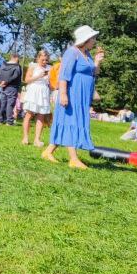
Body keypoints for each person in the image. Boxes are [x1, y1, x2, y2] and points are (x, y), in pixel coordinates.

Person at [43, 25, 103, 169]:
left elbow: (94, 73)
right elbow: (63, 75)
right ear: (86, 39)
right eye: (93, 38)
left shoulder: (87, 54)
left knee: (70, 122)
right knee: (72, 122)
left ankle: (48, 151)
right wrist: (63, 94)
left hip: (82, 96)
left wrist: (97, 62)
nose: (94, 41)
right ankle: (74, 159)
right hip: (71, 93)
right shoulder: (72, 52)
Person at [21, 48, 52, 146]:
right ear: (38, 58)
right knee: (29, 114)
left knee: (41, 116)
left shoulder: (50, 68)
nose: (44, 62)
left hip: (44, 92)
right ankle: (25, 137)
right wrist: (39, 76)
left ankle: (37, 139)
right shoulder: (33, 66)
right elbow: (26, 80)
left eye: (46, 60)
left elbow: (51, 84)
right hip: (33, 91)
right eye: (42, 60)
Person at [0, 53, 22, 126]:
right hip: (12, 87)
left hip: (3, 86)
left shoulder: (3, 65)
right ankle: (9, 121)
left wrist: (2, 82)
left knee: (2, 103)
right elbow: (15, 76)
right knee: (10, 104)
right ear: (16, 58)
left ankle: (0, 120)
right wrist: (7, 82)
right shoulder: (17, 66)